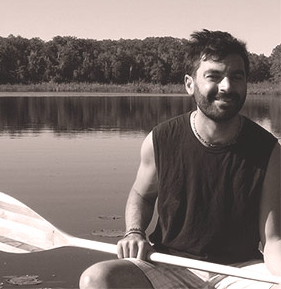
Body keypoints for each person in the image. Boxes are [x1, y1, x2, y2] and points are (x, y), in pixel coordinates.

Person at [80, 29, 281, 289]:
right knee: (96, 279)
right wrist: (134, 232)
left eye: (237, 76)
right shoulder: (160, 139)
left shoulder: (268, 150)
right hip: (168, 264)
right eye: (214, 76)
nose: (227, 86)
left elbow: (273, 239)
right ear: (190, 84)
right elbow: (141, 196)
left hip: (239, 272)